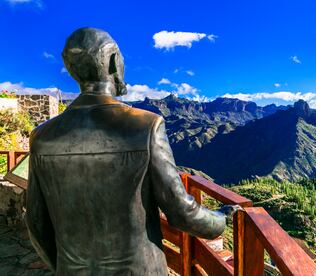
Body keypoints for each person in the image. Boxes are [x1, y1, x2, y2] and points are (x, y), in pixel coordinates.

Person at [26, 27, 236, 275]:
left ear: (70, 68)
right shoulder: (147, 126)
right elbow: (181, 212)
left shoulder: (42, 137)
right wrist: (220, 220)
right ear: (114, 61)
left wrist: (64, 267)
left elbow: (36, 225)